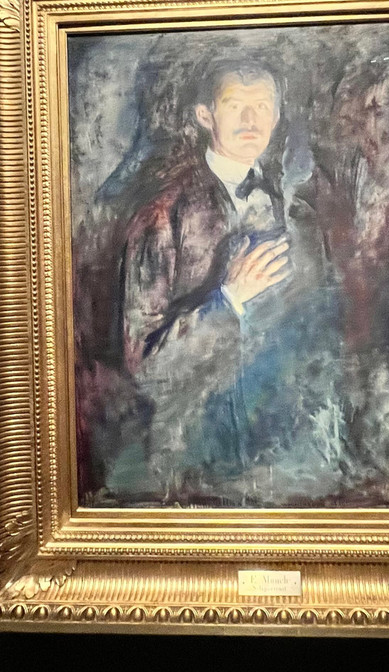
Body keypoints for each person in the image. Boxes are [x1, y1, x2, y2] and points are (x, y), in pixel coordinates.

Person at [111, 60, 344, 505]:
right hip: (195, 461)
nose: (251, 119)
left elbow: (322, 343)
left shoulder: (299, 213)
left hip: (291, 464)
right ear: (205, 115)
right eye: (235, 105)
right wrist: (228, 300)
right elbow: (142, 365)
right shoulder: (162, 214)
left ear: (277, 116)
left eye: (263, 106)